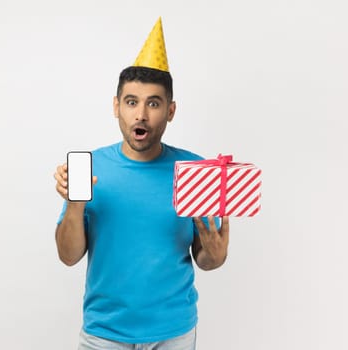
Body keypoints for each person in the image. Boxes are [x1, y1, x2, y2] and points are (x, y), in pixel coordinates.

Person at [54, 18, 229, 350]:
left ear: (170, 110)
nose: (141, 115)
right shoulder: (91, 168)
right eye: (132, 102)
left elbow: (205, 258)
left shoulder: (195, 170)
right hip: (104, 333)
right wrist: (75, 205)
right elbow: (68, 256)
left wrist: (215, 256)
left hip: (174, 333)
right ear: (116, 106)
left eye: (154, 103)